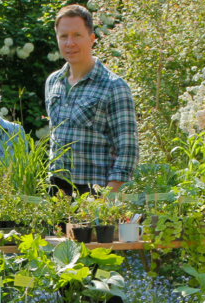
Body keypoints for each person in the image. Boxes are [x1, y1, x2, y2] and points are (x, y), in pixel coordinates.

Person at [45, 4, 137, 196]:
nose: (70, 43)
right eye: (64, 36)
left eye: (77, 35)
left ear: (92, 39)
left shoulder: (114, 86)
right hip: (57, 193)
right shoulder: (53, 82)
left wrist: (107, 202)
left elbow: (128, 152)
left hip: (94, 193)